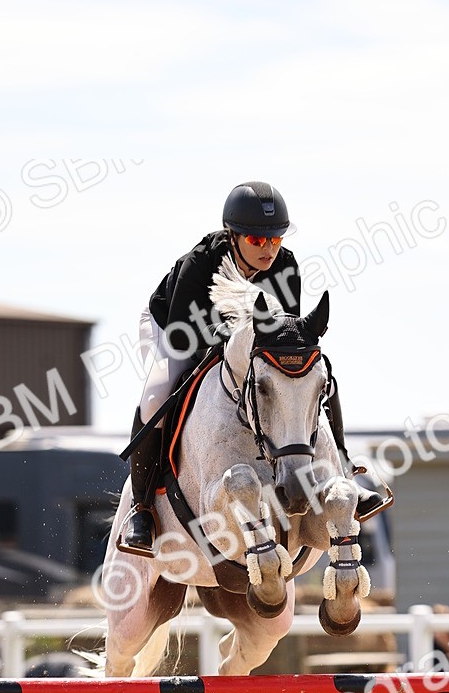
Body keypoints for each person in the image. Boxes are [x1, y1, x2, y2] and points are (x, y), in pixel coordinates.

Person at [120, 180, 385, 555]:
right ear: (233, 236)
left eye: (275, 240)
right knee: (156, 394)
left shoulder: (286, 266)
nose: (269, 250)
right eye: (258, 241)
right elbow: (184, 338)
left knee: (310, 375)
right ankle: (142, 508)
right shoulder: (200, 265)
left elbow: (285, 339)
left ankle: (342, 467)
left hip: (245, 345)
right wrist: (236, 340)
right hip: (174, 329)